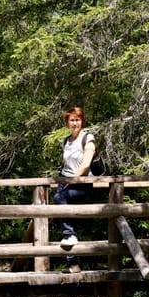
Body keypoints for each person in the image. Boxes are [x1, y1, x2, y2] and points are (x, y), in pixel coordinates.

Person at [55, 106, 96, 272]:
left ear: (82, 121)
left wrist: (71, 181)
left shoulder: (88, 138)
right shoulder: (66, 141)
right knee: (67, 221)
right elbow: (66, 165)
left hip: (81, 185)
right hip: (65, 183)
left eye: (77, 120)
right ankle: (73, 264)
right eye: (72, 120)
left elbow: (86, 164)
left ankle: (70, 238)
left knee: (60, 200)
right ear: (67, 122)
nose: (75, 123)